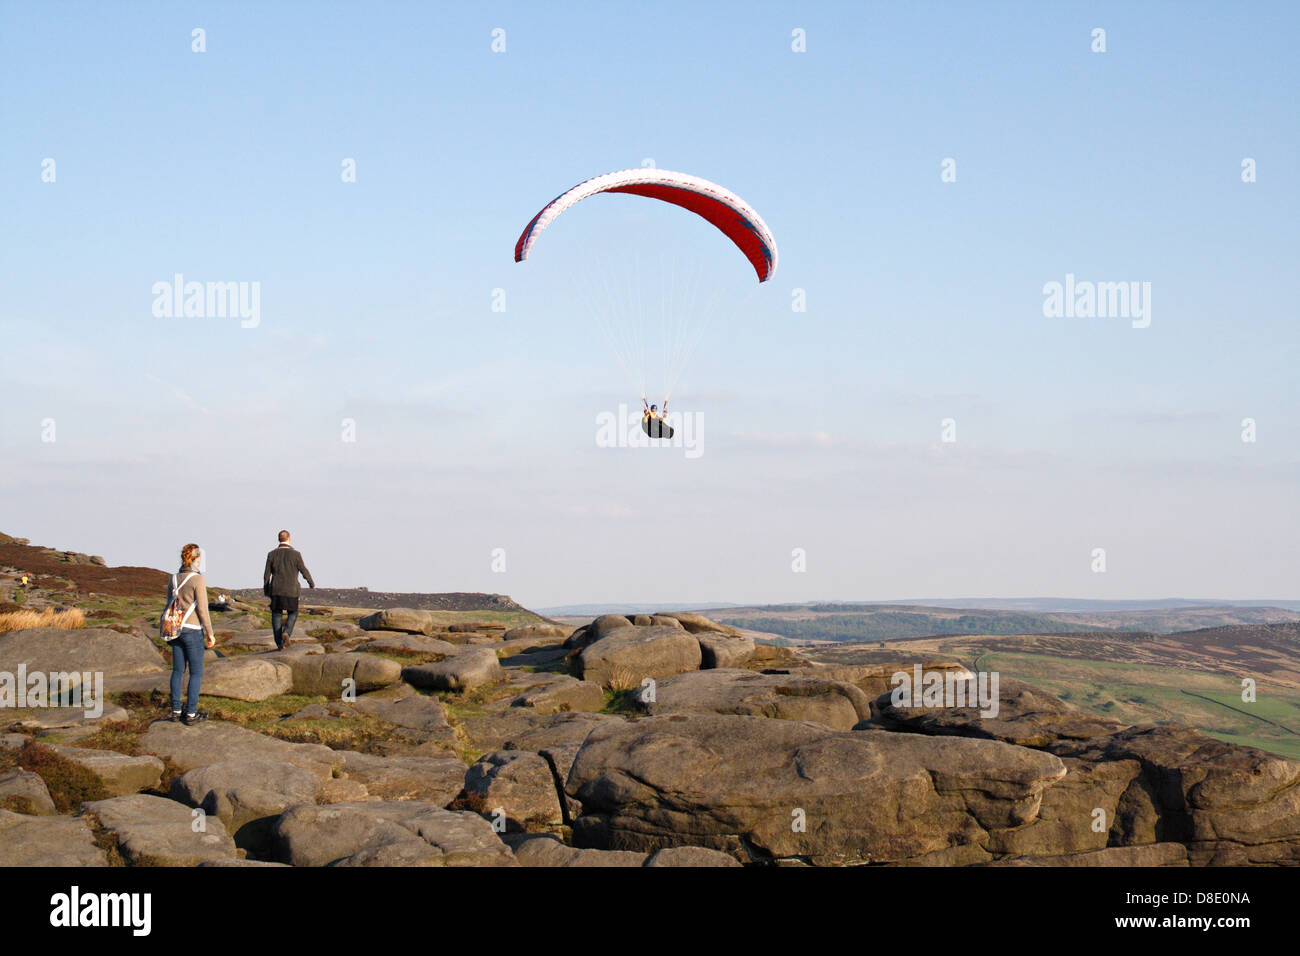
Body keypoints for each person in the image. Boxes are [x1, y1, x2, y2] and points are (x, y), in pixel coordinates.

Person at [165, 543, 215, 725]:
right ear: (195, 559)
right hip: (192, 630)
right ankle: (191, 714)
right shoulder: (197, 580)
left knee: (178, 671)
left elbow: (169, 605)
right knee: (196, 673)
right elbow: (202, 610)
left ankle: (176, 710)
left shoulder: (174, 579)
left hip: (175, 629)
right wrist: (210, 633)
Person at [263, 530, 315, 650]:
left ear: (278, 539)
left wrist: (267, 589)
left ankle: (279, 643)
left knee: (276, 615)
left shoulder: (271, 554)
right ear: (289, 539)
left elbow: (266, 575)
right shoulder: (296, 554)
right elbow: (303, 570)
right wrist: (310, 582)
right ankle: (286, 632)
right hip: (292, 590)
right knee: (293, 613)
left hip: (276, 590)